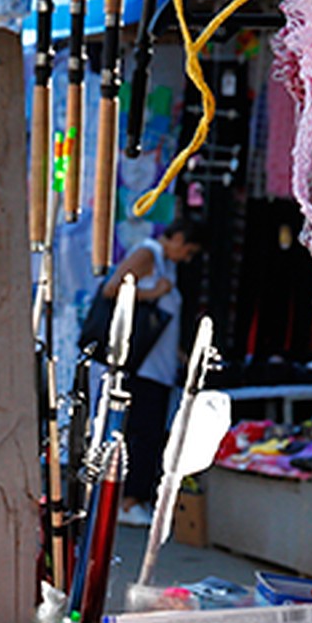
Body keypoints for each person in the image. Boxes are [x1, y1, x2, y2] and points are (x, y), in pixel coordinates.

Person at [99, 218, 204, 526]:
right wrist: (154, 292)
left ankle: (133, 498)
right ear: (178, 237)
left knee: (149, 433)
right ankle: (129, 501)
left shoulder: (164, 263)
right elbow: (112, 289)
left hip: (157, 366)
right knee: (142, 434)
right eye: (188, 250)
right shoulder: (148, 254)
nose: (187, 258)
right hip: (141, 366)